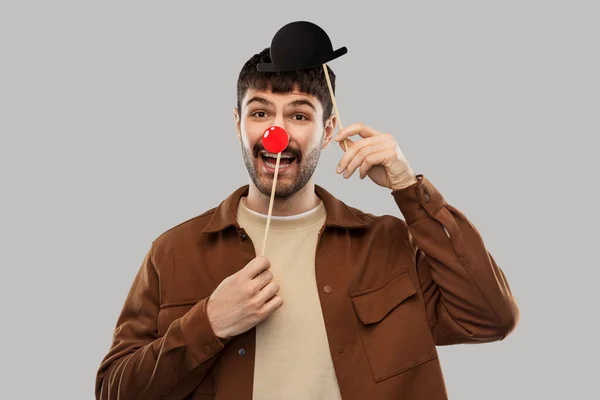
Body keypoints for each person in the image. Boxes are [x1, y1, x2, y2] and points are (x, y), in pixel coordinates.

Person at [95, 47, 519, 400]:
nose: (276, 132)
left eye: (299, 116)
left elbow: (489, 317)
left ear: (328, 128)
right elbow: (114, 390)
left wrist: (408, 188)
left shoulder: (386, 244)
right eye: (260, 113)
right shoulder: (173, 251)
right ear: (238, 125)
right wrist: (209, 323)